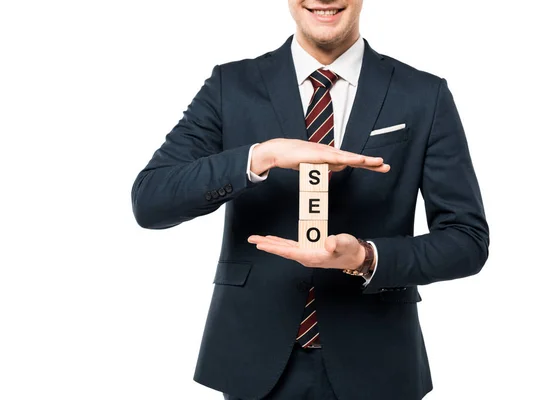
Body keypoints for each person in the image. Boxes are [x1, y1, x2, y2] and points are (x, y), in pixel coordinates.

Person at [131, 0, 489, 398]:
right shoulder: (230, 86)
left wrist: (367, 257)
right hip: (254, 364)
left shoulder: (424, 94)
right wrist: (260, 157)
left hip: (377, 365)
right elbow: (151, 200)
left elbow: (466, 240)